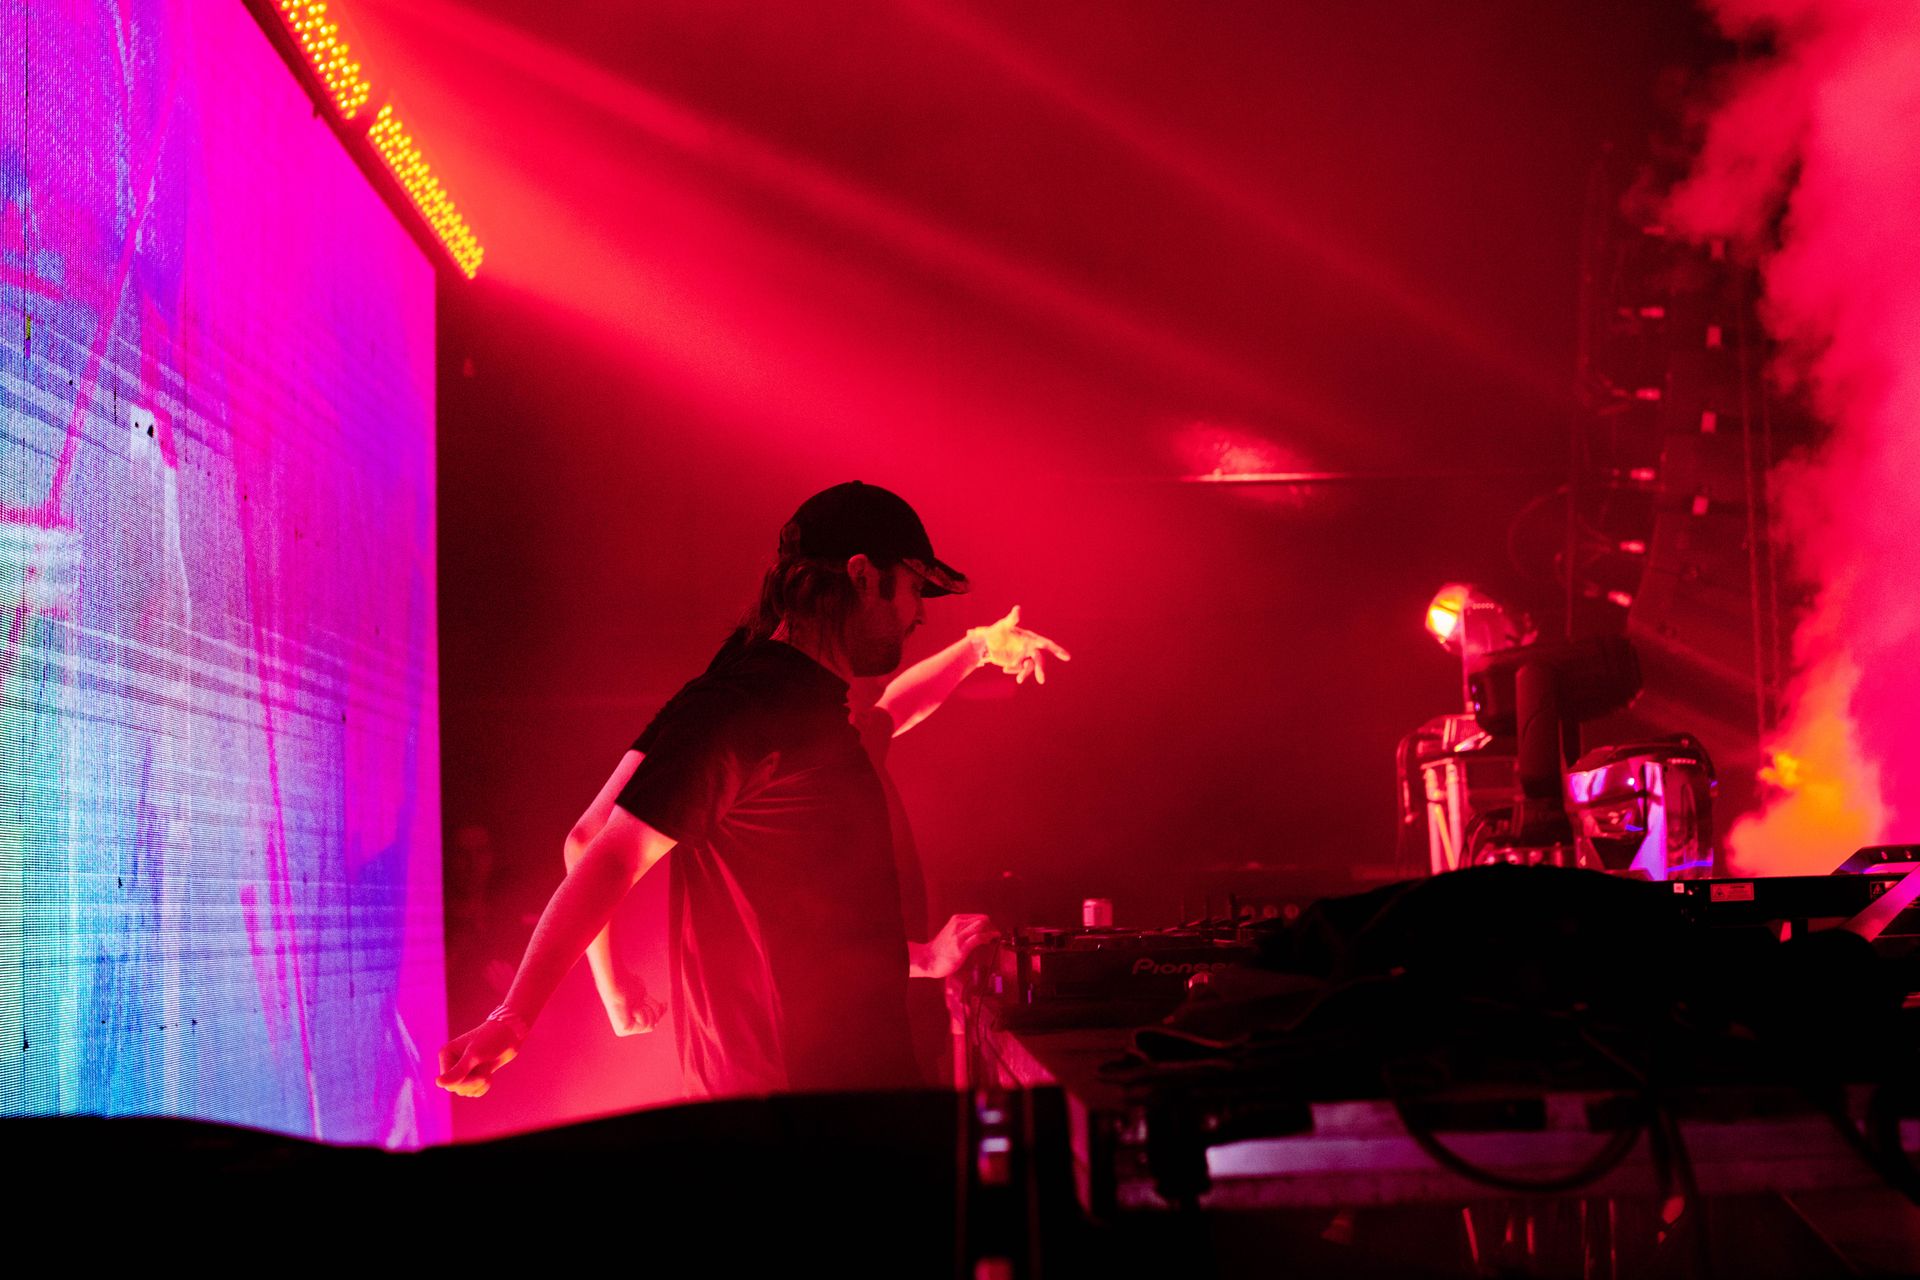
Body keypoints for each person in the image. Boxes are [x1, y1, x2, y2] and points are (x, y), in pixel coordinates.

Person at [436, 481, 1070, 1098]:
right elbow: (613, 854)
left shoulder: (788, 703)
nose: (917, 614)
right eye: (909, 588)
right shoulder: (747, 708)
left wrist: (980, 647)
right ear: (859, 576)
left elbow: (588, 838)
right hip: (792, 1099)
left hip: (811, 1082)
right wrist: (514, 1017)